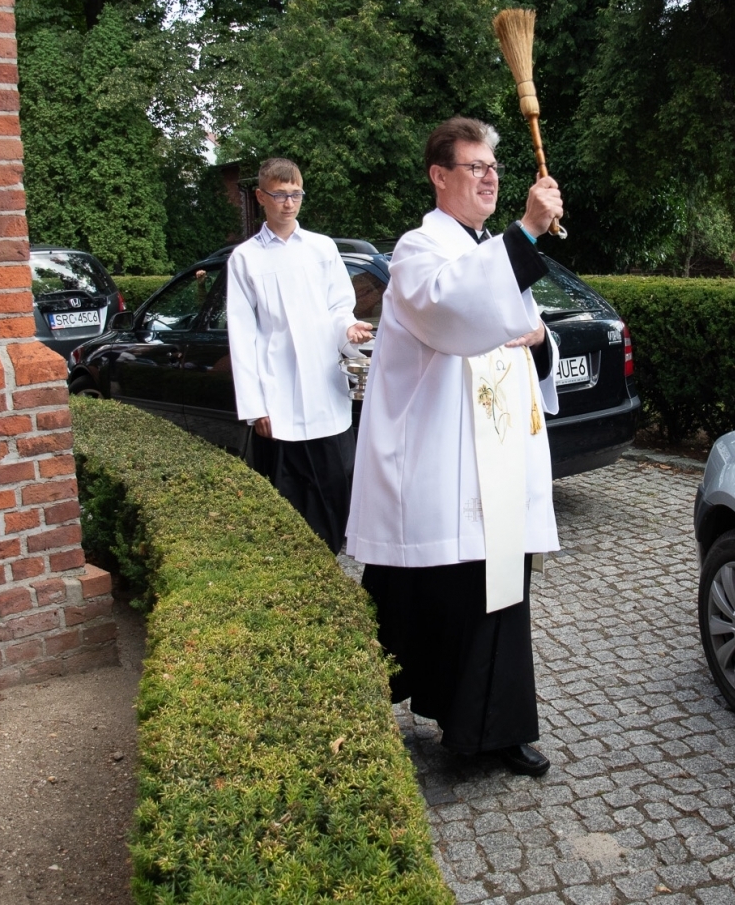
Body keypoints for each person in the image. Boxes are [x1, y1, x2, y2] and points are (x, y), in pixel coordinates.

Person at [345, 117, 563, 777]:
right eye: (476, 166)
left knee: (499, 595)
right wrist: (526, 233)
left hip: (495, 459)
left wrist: (542, 343)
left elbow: (525, 333)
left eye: (494, 167)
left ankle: (492, 732)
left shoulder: (490, 252)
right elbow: (452, 312)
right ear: (439, 176)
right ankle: (377, 713)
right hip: (439, 469)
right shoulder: (419, 251)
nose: (490, 177)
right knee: (440, 603)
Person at [226, 158, 374, 552]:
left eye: (295, 194)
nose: (288, 203)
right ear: (261, 197)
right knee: (287, 496)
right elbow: (243, 336)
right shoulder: (245, 258)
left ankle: (332, 563)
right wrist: (256, 406)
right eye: (279, 195)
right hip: (279, 398)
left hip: (325, 393)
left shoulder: (322, 248)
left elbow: (339, 308)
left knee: (335, 487)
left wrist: (349, 330)